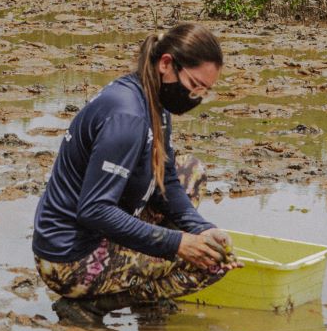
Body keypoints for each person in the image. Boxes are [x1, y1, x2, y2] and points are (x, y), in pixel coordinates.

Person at [32, 22, 237, 315]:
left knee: (189, 171)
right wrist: (178, 243)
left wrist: (203, 229)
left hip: (101, 230)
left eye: (205, 91)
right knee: (211, 264)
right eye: (194, 86)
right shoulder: (127, 118)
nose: (196, 98)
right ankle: (93, 306)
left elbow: (166, 179)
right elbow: (94, 210)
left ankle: (144, 295)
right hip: (70, 258)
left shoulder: (154, 101)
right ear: (167, 64)